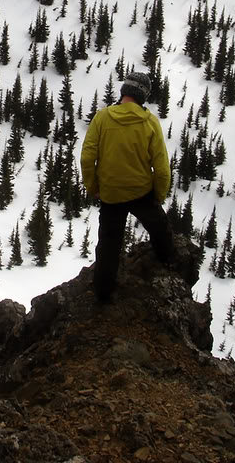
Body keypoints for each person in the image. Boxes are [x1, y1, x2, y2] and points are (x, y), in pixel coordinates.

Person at [80, 70, 173, 302]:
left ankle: (103, 293)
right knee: (159, 227)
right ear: (143, 97)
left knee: (109, 245)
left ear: (124, 92)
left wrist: (93, 187)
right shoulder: (149, 122)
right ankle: (168, 261)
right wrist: (158, 195)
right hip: (141, 191)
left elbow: (86, 157)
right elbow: (161, 167)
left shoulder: (102, 117)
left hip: (111, 193)